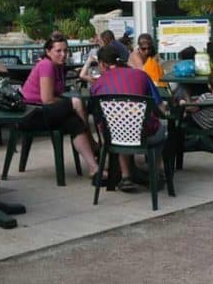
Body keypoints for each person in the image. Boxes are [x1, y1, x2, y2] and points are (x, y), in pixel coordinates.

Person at [18, 34, 99, 177]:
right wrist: (70, 103)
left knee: (74, 122)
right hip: (31, 114)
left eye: (65, 50)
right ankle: (92, 144)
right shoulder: (46, 65)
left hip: (44, 111)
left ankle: (94, 167)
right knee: (77, 102)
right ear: (48, 52)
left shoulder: (58, 67)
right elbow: (47, 99)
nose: (63, 54)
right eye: (58, 51)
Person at [89, 46, 164, 192]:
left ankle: (126, 176)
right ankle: (157, 171)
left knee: (117, 123)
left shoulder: (97, 84)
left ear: (102, 64)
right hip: (143, 133)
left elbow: (95, 113)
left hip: (114, 136)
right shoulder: (141, 75)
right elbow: (159, 106)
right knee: (162, 126)